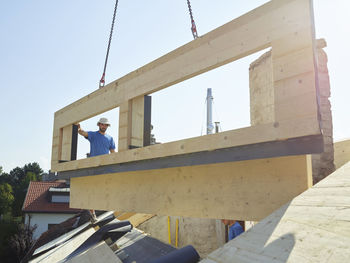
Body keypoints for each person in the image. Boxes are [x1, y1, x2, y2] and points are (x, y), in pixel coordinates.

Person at [77, 117, 116, 223]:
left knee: (105, 189)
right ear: (99, 125)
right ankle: (93, 214)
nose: (104, 126)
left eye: (105, 125)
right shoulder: (94, 135)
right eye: (102, 124)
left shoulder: (110, 138)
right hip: (94, 167)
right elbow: (83, 133)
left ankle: (108, 208)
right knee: (92, 190)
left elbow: (113, 153)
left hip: (105, 167)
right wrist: (79, 129)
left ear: (107, 126)